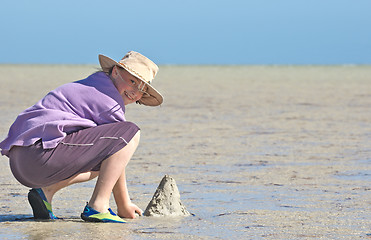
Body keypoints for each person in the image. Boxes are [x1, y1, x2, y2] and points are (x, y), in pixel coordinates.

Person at [0, 51, 163, 223]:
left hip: (21, 160)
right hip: (38, 154)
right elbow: (121, 144)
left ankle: (46, 192)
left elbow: (114, 154)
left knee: (108, 162)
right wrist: (123, 205)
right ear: (115, 71)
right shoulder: (109, 101)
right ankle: (98, 206)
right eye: (132, 81)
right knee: (131, 133)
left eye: (142, 89)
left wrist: (124, 204)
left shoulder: (93, 85)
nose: (135, 91)